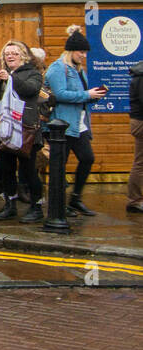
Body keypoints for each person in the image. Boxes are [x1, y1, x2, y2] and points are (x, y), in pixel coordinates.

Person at [44, 27, 108, 217]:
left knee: (87, 159)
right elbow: (60, 94)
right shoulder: (58, 68)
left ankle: (75, 199)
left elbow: (80, 96)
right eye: (81, 52)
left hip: (78, 124)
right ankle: (59, 205)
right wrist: (87, 94)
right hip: (61, 124)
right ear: (71, 51)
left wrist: (93, 96)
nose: (84, 56)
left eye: (85, 52)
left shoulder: (79, 70)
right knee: (59, 166)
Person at [0, 40, 45, 223]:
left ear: (24, 56)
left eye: (14, 53)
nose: (10, 56)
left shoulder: (33, 73)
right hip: (5, 129)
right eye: (7, 54)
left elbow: (31, 90)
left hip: (26, 130)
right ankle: (9, 204)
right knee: (7, 170)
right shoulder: (3, 74)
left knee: (29, 171)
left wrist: (10, 78)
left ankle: (36, 207)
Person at [129, 53, 143, 214]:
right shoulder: (141, 76)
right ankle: (134, 200)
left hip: (138, 120)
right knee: (140, 162)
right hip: (141, 122)